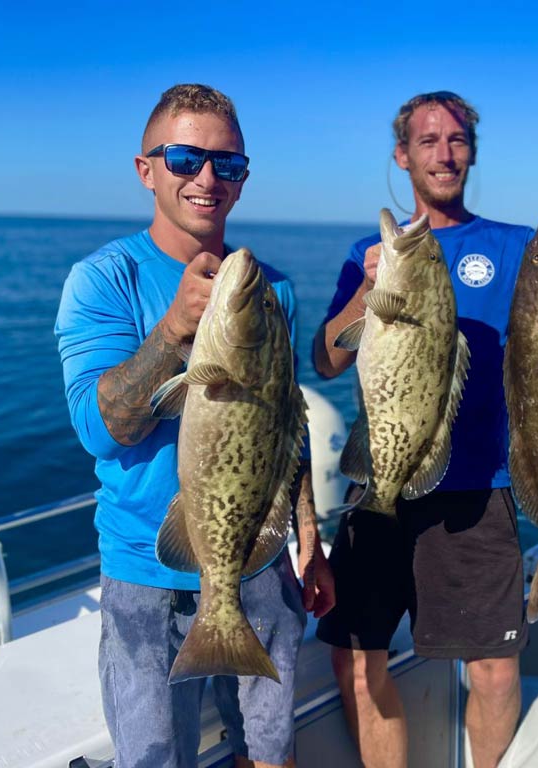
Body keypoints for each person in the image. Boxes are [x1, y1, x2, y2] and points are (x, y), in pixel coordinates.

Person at [312, 91, 538, 768]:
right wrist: (367, 295)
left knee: (496, 672)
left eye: (456, 141)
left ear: (472, 153)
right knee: (355, 662)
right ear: (402, 156)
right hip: (385, 479)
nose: (443, 154)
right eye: (427, 142)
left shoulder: (518, 247)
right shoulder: (369, 252)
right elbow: (327, 359)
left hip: (480, 484)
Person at [55, 83, 334, 768]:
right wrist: (176, 327)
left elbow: (283, 430)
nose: (207, 178)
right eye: (184, 158)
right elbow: (99, 428)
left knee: (270, 750)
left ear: (242, 180)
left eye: (228, 164)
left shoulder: (275, 289)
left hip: (262, 561)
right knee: (155, 758)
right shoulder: (103, 280)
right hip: (144, 570)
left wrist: (309, 541)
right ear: (146, 169)